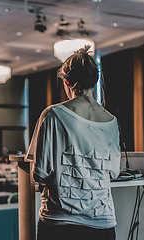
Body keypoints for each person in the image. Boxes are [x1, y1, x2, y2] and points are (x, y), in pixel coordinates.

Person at [26, 46, 120, 240]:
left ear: (67, 82)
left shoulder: (52, 115)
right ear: (94, 80)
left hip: (60, 222)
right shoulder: (111, 121)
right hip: (102, 223)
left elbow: (39, 174)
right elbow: (113, 172)